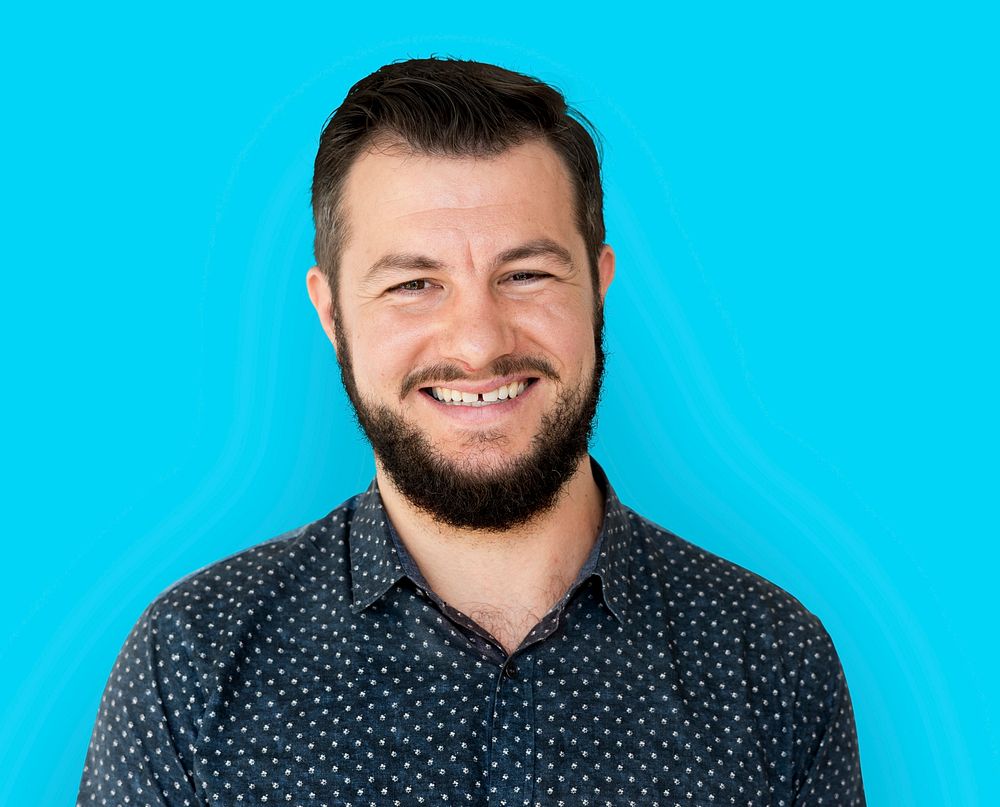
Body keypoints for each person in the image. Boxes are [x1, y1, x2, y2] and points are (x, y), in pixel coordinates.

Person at [78, 58, 866, 806]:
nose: (478, 342)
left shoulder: (772, 660)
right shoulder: (192, 662)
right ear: (331, 312)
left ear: (598, 284)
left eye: (525, 274)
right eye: (414, 284)